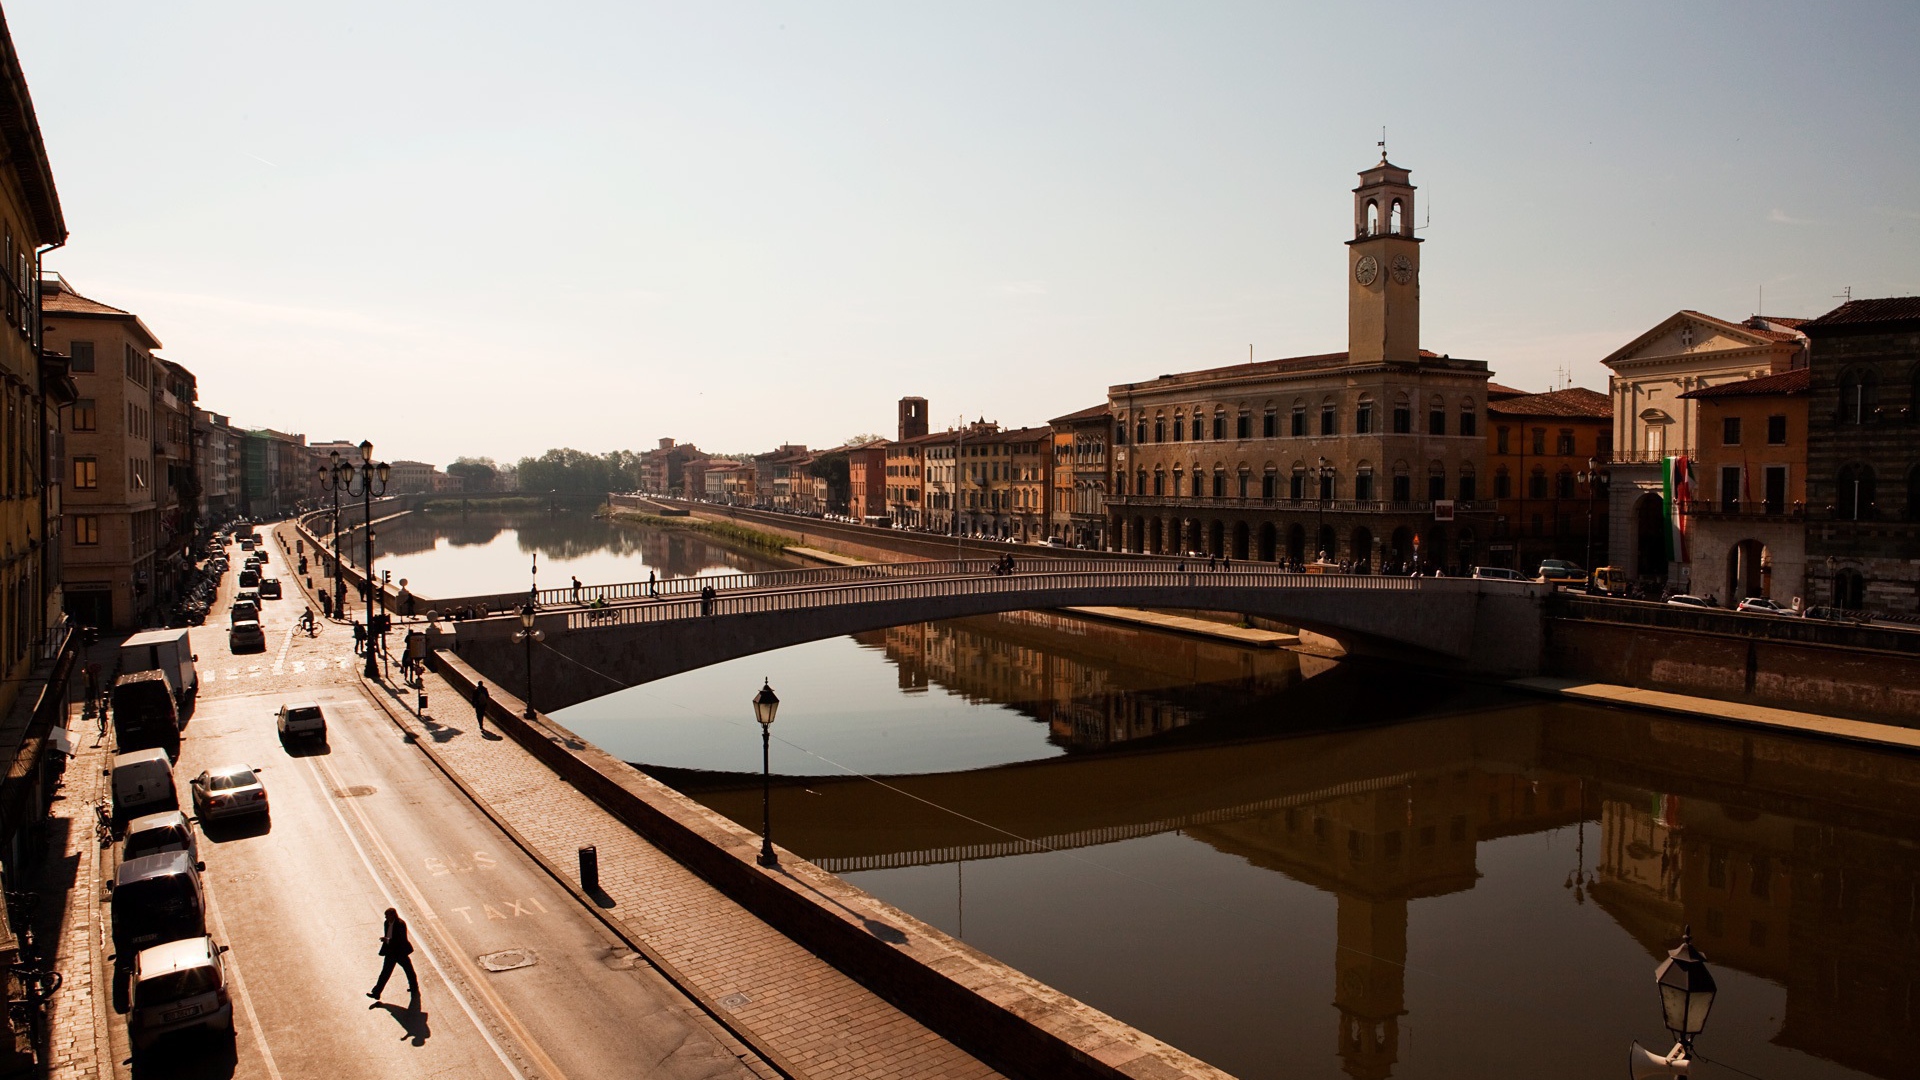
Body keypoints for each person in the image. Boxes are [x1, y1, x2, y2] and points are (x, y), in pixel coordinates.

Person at [368, 908, 418, 1003]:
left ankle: (414, 987)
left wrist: (387, 940)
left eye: (387, 916)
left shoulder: (400, 924)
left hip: (400, 952)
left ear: (393, 915)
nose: (386, 918)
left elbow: (401, 939)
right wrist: (387, 942)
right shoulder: (386, 923)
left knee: (409, 970)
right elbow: (387, 934)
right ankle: (376, 992)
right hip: (391, 952)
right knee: (385, 973)